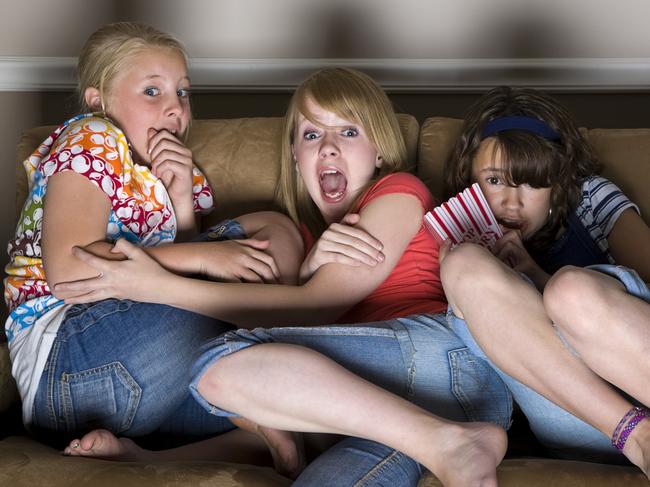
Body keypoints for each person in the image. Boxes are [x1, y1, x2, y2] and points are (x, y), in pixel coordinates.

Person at [54, 67, 512, 486]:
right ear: (294, 156)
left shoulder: (397, 192)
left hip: (449, 363)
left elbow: (318, 305)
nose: (328, 146)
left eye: (348, 131)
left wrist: (157, 286)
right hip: (387, 409)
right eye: (312, 134)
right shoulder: (303, 240)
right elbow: (295, 317)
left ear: (379, 154)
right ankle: (449, 443)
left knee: (221, 364)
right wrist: (303, 271)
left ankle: (448, 441)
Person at [4, 21, 309, 478]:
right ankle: (271, 346)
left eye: (183, 92)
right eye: (153, 91)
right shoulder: (93, 137)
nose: (175, 108)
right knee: (261, 242)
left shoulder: (170, 172)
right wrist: (207, 256)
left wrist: (182, 201)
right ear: (99, 99)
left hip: (148, 387)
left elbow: (173, 287)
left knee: (273, 235)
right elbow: (69, 270)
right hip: (69, 367)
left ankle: (144, 456)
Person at [439, 86, 650, 476]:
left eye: (532, 182)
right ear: (470, 174)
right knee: (462, 265)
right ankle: (639, 437)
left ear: (558, 181)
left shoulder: (591, 200)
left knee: (569, 290)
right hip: (585, 415)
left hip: (636, 363)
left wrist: (537, 275)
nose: (511, 203)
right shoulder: (457, 230)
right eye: (495, 180)